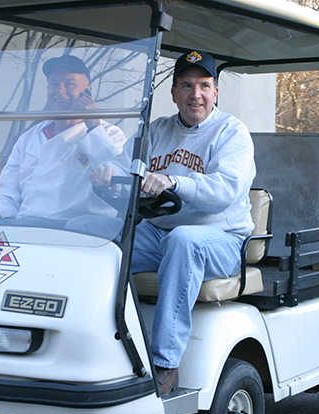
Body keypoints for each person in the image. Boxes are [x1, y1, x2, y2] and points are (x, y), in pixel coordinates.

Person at [92, 50, 256, 395]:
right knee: (97, 239)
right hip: (159, 232)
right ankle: (93, 348)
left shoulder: (231, 133)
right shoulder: (158, 131)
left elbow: (225, 190)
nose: (195, 94)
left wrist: (173, 181)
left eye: (204, 86)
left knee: (184, 240)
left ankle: (165, 364)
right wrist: (108, 174)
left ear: (215, 92)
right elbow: (128, 168)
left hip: (222, 239)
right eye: (186, 85)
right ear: (173, 93)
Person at [0, 55, 126, 231]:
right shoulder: (29, 138)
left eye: (69, 84)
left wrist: (93, 125)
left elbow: (118, 184)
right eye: (53, 84)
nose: (60, 91)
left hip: (74, 232)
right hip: (22, 226)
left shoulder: (110, 134)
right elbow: (7, 191)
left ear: (88, 91)